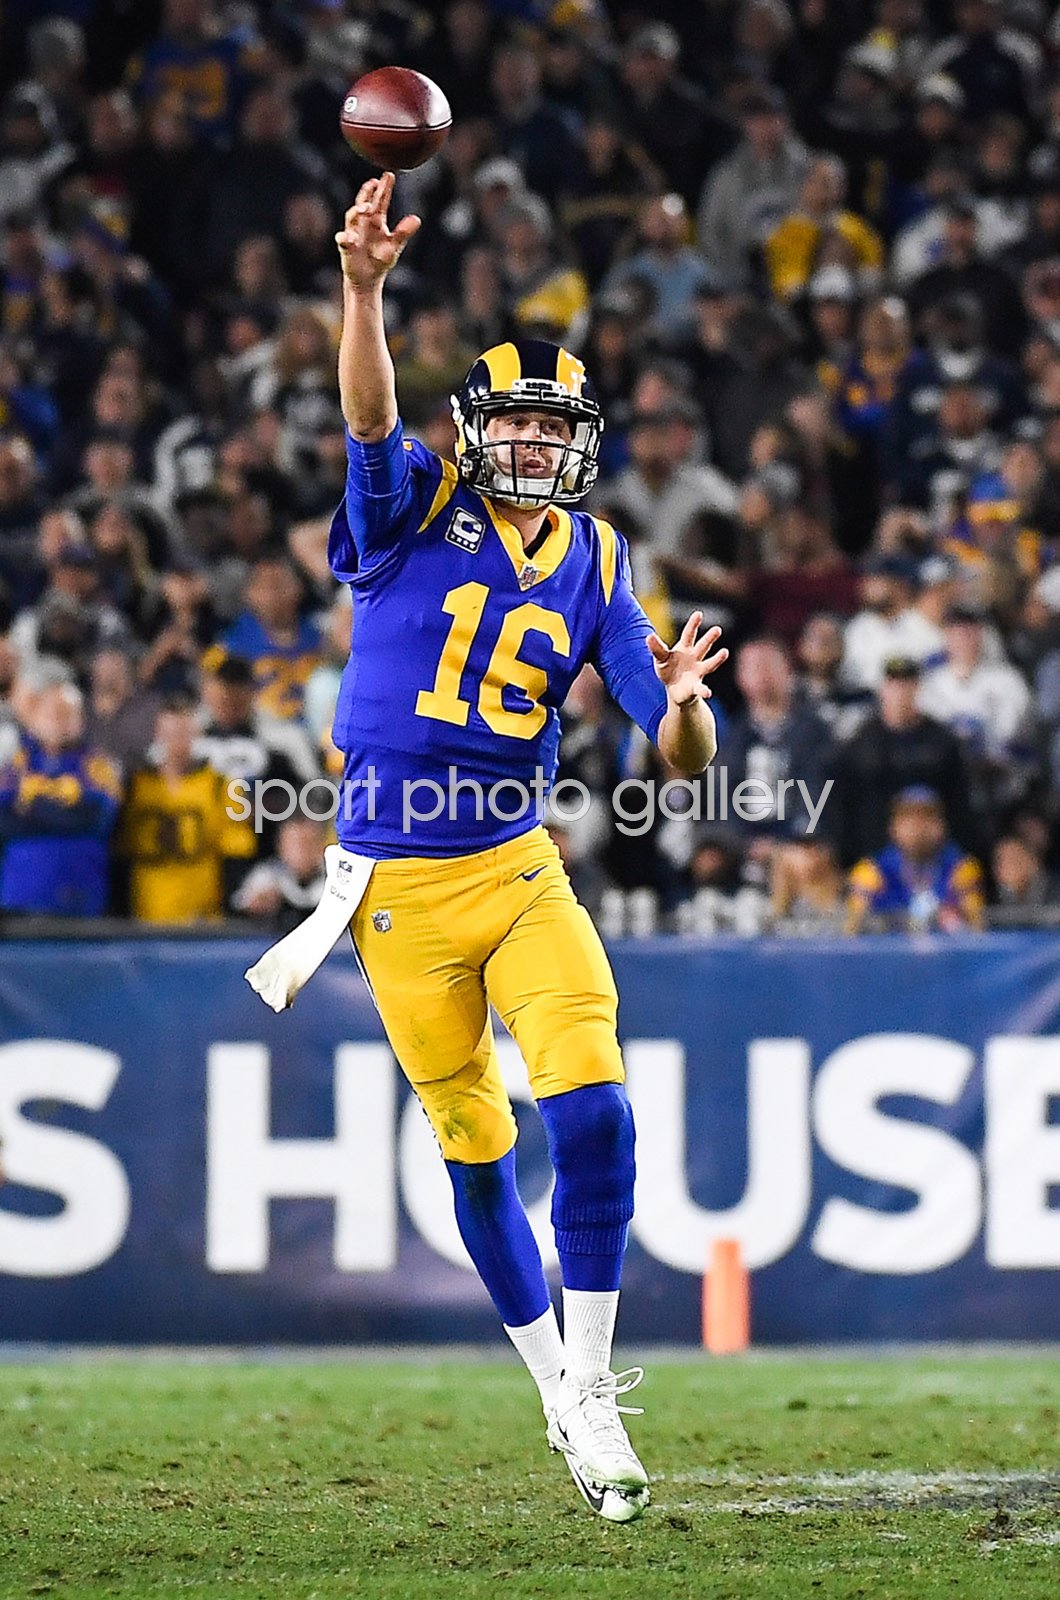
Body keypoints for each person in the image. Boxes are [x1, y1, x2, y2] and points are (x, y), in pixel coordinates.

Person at [266, 173, 729, 1522]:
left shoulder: (596, 558)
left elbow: (668, 749)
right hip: (396, 888)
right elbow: (368, 414)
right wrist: (361, 294)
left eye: (555, 427)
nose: (537, 446)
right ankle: (550, 1384)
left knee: (593, 1110)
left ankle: (592, 1388)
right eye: (517, 424)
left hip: (521, 867)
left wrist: (690, 710)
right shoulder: (408, 504)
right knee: (476, 1149)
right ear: (474, 434)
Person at [846, 784, 986, 933]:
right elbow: (853, 933)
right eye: (907, 817)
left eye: (928, 816)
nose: (917, 826)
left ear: (942, 826)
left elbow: (977, 931)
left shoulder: (962, 868)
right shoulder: (870, 871)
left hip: (948, 954)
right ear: (893, 827)